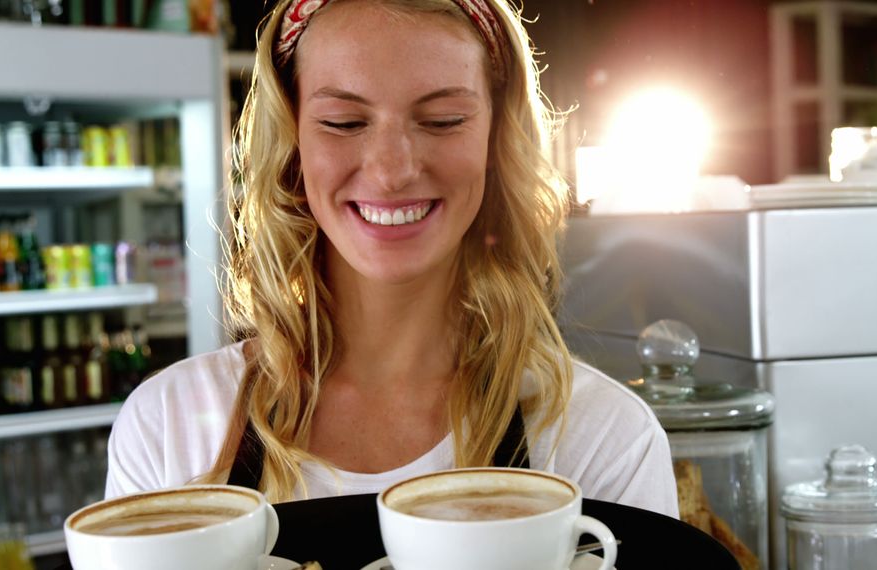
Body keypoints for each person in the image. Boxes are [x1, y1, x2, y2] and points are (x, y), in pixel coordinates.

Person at [105, 0, 678, 517]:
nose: (391, 169)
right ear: (292, 144)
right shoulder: (168, 427)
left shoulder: (604, 441)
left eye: (442, 120)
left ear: (495, 142)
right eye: (344, 123)